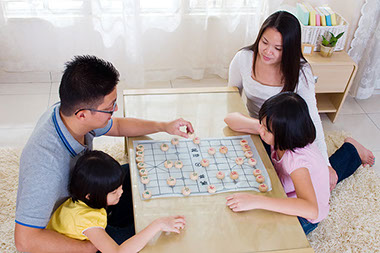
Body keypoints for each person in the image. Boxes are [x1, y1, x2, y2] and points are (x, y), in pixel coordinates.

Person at [14, 55, 194, 252]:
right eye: (109, 108)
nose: (115, 110)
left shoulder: (68, 114)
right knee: (149, 237)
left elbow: (117, 126)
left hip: (90, 195)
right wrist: (89, 247)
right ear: (82, 114)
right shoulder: (44, 167)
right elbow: (25, 241)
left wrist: (163, 126)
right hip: (75, 228)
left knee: (141, 174)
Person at [224, 92, 375, 234]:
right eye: (262, 124)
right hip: (307, 179)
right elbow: (230, 119)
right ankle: (352, 150)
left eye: (267, 129)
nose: (261, 130)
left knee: (268, 232)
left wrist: (256, 201)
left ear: (285, 133)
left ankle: (352, 152)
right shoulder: (282, 133)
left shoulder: (296, 161)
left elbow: (311, 210)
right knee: (321, 176)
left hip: (307, 212)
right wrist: (263, 125)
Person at [228, 11, 341, 190]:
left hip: (287, 133)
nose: (267, 51)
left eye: (278, 48)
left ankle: (351, 151)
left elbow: (312, 117)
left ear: (289, 49)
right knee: (254, 176)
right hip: (258, 127)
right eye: (264, 42)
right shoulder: (243, 58)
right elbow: (231, 97)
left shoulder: (301, 73)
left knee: (307, 178)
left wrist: (326, 164)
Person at [47, 150, 185, 252]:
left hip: (89, 229)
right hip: (88, 243)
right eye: (114, 192)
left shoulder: (86, 197)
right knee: (139, 232)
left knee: (128, 176)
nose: (121, 192)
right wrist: (157, 224)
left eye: (119, 188)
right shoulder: (87, 219)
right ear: (90, 196)